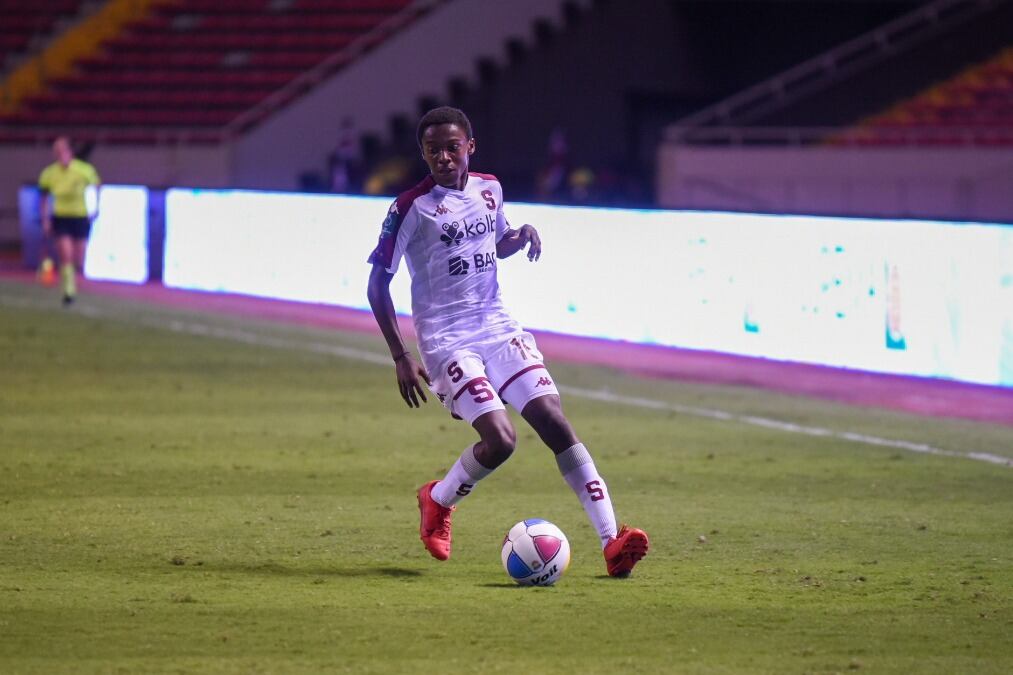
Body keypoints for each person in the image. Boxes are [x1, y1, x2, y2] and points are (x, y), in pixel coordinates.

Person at [366, 107, 649, 578]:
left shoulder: (490, 189)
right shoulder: (408, 208)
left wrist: (519, 237)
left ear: (469, 147)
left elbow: (495, 242)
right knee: (501, 439)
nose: (442, 156)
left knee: (554, 422)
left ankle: (612, 542)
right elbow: (378, 284)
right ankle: (437, 501)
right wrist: (400, 353)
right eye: (432, 149)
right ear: (423, 153)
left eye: (451, 147)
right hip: (448, 338)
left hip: (498, 326)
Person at [38, 136, 101, 305]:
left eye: (62, 150)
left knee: (78, 258)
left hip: (80, 217)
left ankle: (70, 282)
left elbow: (97, 187)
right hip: (61, 217)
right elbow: (43, 198)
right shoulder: (49, 173)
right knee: (66, 254)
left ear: (69, 151)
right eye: (56, 151)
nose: (60, 154)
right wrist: (45, 219)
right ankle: (69, 291)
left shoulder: (84, 170)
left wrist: (95, 208)